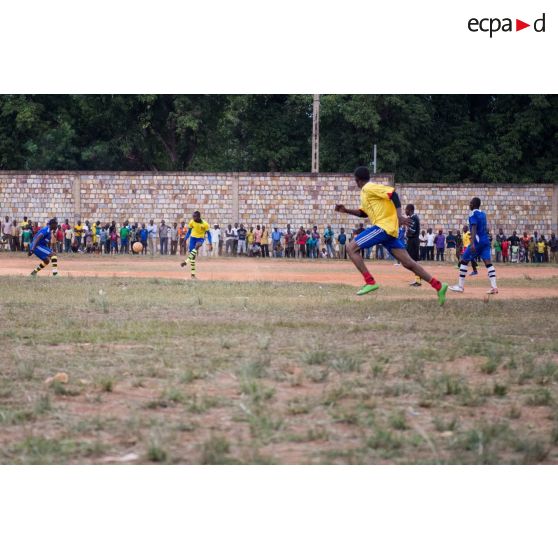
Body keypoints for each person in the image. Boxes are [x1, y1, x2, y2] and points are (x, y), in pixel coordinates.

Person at [335, 167, 447, 304]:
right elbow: (364, 213)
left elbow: (393, 193)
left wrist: (399, 216)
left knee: (351, 248)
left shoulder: (369, 188)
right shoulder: (365, 193)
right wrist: (346, 210)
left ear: (357, 180)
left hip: (383, 228)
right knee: (408, 263)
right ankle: (438, 286)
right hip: (389, 232)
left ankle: (370, 282)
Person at [449, 197, 498, 295]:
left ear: (474, 204)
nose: (469, 205)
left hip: (477, 242)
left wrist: (472, 244)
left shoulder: (472, 214)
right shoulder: (483, 214)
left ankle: (460, 286)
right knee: (488, 263)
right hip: (485, 241)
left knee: (464, 261)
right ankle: (494, 287)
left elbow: (474, 227)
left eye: (470, 203)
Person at [180, 211, 212, 279]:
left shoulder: (205, 224)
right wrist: (184, 240)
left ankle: (186, 262)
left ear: (199, 217)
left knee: (197, 245)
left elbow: (209, 234)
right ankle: (193, 275)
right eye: (193, 216)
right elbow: (188, 232)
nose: (193, 218)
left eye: (195, 216)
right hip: (192, 238)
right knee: (193, 257)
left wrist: (210, 243)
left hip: (200, 238)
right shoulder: (192, 222)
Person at [405, 204, 422, 286]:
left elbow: (412, 231)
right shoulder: (412, 218)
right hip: (412, 241)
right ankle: (417, 279)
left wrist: (407, 234)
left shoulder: (413, 218)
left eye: (406, 209)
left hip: (413, 241)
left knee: (414, 262)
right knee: (413, 261)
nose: (405, 211)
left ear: (410, 210)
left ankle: (418, 280)